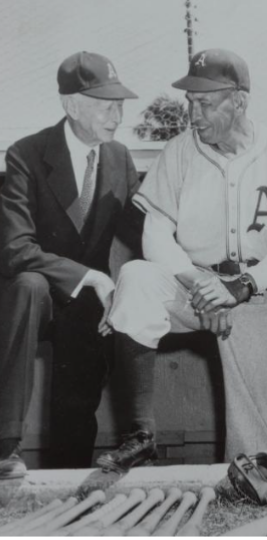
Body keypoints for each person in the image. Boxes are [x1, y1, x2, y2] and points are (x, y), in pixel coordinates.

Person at [97, 49, 267, 472]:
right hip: (194, 284)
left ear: (240, 102)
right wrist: (200, 287)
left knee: (249, 453)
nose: (193, 113)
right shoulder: (179, 151)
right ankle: (140, 434)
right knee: (137, 278)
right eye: (190, 102)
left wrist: (241, 287)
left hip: (260, 293)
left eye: (205, 103)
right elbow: (154, 231)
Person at [0, 51, 141, 475]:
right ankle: (5, 447)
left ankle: (71, 473)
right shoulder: (25, 154)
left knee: (83, 367)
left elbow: (142, 231)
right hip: (33, 296)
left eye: (120, 105)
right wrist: (91, 277)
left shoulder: (119, 158)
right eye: (105, 105)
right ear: (71, 105)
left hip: (84, 307)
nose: (116, 116)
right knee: (30, 285)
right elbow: (15, 249)